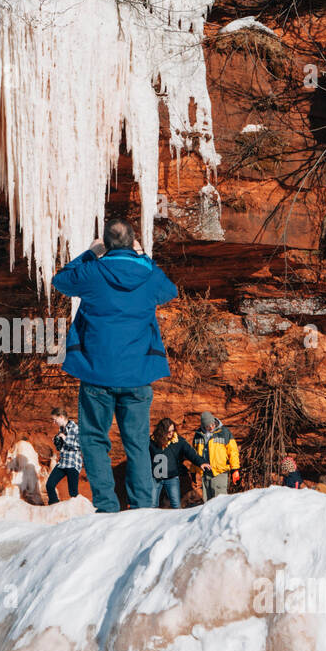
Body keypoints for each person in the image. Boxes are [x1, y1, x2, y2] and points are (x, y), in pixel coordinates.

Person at [52, 219, 177, 513]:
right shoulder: (147, 274)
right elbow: (169, 290)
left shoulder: (94, 271)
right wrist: (143, 255)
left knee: (94, 439)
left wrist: (90, 253)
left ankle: (107, 506)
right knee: (136, 444)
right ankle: (143, 507)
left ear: (106, 244)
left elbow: (61, 280)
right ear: (133, 241)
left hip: (97, 374)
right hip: (137, 376)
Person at [150, 417, 209, 509]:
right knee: (152, 504)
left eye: (172, 430)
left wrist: (201, 462)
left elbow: (191, 453)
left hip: (172, 478)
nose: (171, 433)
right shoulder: (152, 442)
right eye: (168, 431)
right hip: (155, 478)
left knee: (176, 504)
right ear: (161, 431)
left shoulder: (178, 441)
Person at [193, 412, 240, 501]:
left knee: (220, 502)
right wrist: (193, 471)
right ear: (203, 426)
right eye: (208, 426)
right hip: (205, 474)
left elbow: (233, 451)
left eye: (212, 424)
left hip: (219, 472)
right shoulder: (198, 435)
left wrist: (235, 469)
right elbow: (194, 454)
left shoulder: (224, 432)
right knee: (207, 503)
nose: (211, 427)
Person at [46, 407, 82, 504]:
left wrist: (65, 438)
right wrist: (57, 442)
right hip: (63, 463)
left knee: (73, 493)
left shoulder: (75, 428)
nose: (54, 422)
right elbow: (60, 448)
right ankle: (54, 506)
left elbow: (79, 446)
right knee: (49, 485)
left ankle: (79, 515)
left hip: (73, 463)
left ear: (61, 417)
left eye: (55, 419)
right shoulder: (61, 429)